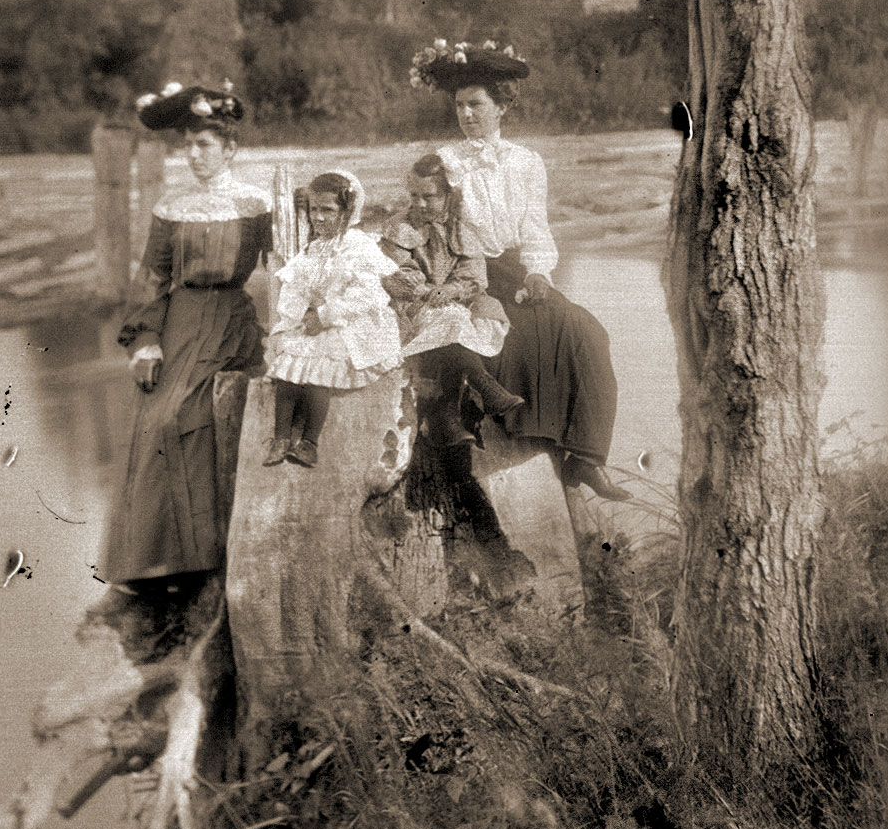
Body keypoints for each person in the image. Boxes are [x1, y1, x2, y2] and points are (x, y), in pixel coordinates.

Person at [409, 39, 631, 500]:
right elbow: (425, 222)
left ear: (501, 106)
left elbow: (534, 226)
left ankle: (586, 458)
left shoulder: (526, 162)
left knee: (584, 329)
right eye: (459, 105)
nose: (467, 114)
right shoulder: (444, 164)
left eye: (476, 104)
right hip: (464, 269)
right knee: (510, 336)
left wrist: (538, 273)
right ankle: (518, 427)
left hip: (513, 270)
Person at [91, 81, 273, 637]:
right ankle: (156, 567)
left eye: (205, 146)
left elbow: (286, 265)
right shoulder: (172, 207)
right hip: (180, 322)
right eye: (188, 146)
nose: (193, 156)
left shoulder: (256, 204)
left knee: (211, 419)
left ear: (230, 149)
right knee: (159, 420)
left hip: (232, 324)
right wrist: (145, 340)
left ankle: (215, 556)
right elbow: (151, 277)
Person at [380, 153, 525, 445]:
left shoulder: (462, 226)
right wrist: (426, 290)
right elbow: (396, 273)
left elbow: (473, 275)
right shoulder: (400, 227)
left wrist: (454, 291)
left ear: (448, 195)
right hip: (413, 303)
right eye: (414, 195)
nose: (420, 204)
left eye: (429, 197)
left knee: (475, 314)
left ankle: (447, 418)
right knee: (449, 319)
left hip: (456, 299)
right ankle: (484, 386)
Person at [263, 170, 402, 468]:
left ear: (348, 211)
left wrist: (325, 316)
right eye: (314, 209)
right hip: (318, 321)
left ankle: (310, 442)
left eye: (328, 210)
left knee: (319, 370)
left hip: (354, 322)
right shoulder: (314, 248)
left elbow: (367, 296)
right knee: (288, 362)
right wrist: (292, 320)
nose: (319, 218)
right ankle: (280, 438)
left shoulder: (359, 246)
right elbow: (296, 287)